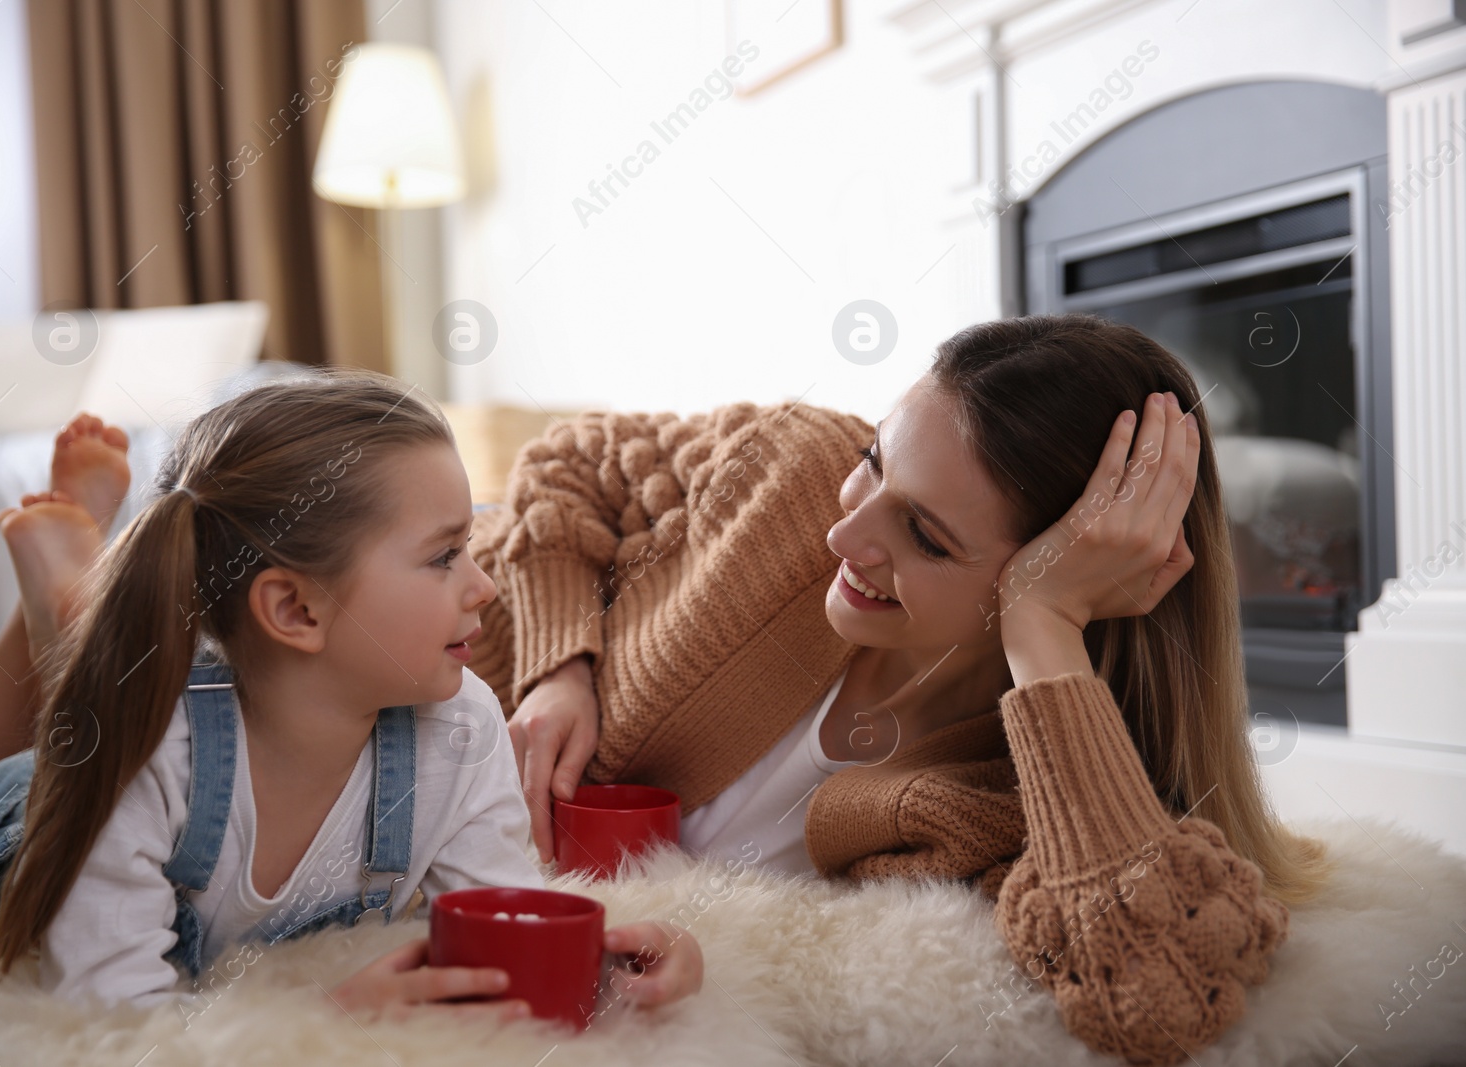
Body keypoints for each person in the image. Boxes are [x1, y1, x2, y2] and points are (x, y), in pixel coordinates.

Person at [471, 314, 1330, 1064]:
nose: (846, 531)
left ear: (1066, 577)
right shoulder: (793, 471)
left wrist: (1042, 628)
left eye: (923, 533)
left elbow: (1155, 995)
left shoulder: (1023, 785)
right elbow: (568, 462)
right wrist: (558, 668)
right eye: (874, 461)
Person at [0, 379, 701, 1021]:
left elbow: (504, 907)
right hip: (9, 828)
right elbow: (106, 1015)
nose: (484, 587)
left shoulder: (462, 726)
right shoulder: (157, 751)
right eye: (445, 555)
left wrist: (615, 952)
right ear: (297, 611)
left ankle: (76, 607)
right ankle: (60, 612)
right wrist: (319, 1020)